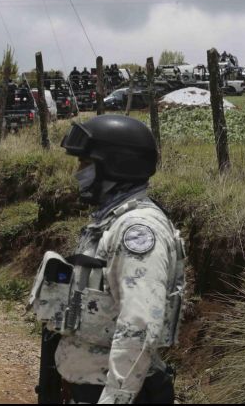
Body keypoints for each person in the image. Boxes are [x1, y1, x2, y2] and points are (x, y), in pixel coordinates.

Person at [29, 115, 185, 404]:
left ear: (116, 164)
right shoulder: (109, 223)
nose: (78, 173)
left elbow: (139, 325)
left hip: (113, 393)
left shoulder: (138, 231)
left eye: (85, 164)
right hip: (88, 388)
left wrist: (115, 398)